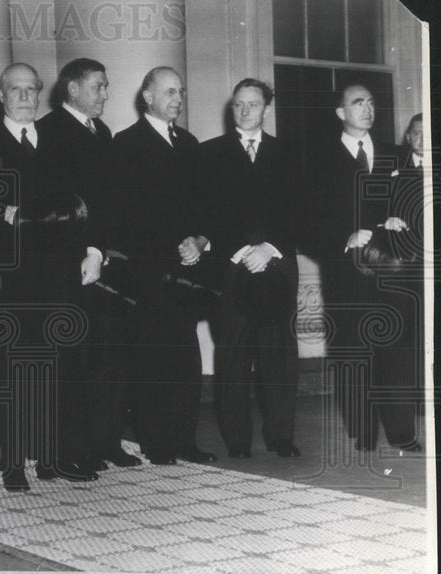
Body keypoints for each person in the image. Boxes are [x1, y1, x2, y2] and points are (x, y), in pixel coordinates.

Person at [0, 62, 100, 491]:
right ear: (0, 96)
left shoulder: (63, 145)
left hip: (58, 277)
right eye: (14, 90)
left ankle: (52, 457)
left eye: (30, 89)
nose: (24, 97)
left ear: (40, 94)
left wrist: (92, 249)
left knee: (59, 367)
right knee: (12, 373)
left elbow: (85, 206)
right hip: (8, 283)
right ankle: (12, 463)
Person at [37, 57, 142, 472]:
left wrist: (105, 249)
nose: (105, 94)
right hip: (70, 266)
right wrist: (87, 252)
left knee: (108, 356)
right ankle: (72, 450)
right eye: (98, 86)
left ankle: (105, 441)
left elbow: (110, 202)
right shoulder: (47, 133)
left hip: (105, 261)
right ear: (73, 89)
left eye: (106, 85)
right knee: (73, 360)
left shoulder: (103, 133)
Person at [306, 86, 420, 452]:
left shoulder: (395, 154)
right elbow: (306, 222)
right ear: (340, 112)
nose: (367, 108)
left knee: (397, 352)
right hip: (346, 272)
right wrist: (345, 237)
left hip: (392, 271)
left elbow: (415, 204)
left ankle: (402, 433)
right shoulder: (319, 159)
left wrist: (398, 220)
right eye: (358, 103)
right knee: (353, 352)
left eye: (371, 102)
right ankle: (364, 432)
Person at [113, 66, 217, 466]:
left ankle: (184, 439)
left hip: (188, 272)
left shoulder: (190, 144)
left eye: (181, 92)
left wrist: (201, 240)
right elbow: (124, 216)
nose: (177, 99)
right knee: (151, 357)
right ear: (148, 97)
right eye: (169, 92)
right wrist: (168, 246)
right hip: (148, 273)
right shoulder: (126, 144)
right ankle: (157, 441)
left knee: (185, 358)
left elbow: (206, 206)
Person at [199, 79, 301, 459]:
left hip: (277, 264)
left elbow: (299, 211)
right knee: (233, 357)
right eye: (239, 105)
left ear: (266, 109)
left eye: (253, 105)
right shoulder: (209, 154)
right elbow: (205, 213)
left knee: (278, 357)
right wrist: (243, 250)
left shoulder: (289, 153)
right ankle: (237, 440)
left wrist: (270, 248)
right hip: (232, 266)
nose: (245, 111)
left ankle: (280, 437)